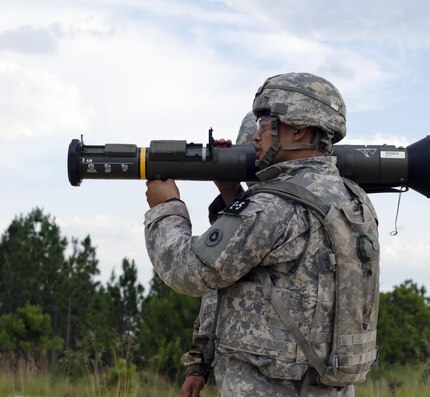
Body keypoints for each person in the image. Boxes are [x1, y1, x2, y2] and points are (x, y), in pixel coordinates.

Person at [144, 73, 379, 397]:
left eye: (265, 122)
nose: (255, 136)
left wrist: (166, 208)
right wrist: (201, 360)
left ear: (298, 128)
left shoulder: (273, 206)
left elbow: (189, 271)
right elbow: (258, 282)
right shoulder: (352, 197)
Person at [180, 111, 257, 397]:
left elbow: (191, 271)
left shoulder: (285, 215)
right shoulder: (241, 213)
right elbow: (217, 290)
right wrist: (198, 364)